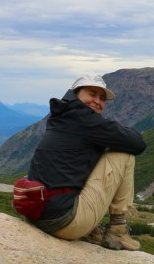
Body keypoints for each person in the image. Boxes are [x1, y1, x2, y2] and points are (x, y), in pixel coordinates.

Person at [25, 74, 146, 250]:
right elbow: (137, 144)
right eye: (92, 94)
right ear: (77, 94)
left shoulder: (61, 116)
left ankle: (93, 230)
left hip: (38, 214)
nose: (97, 101)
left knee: (92, 156)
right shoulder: (86, 120)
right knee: (123, 154)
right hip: (64, 222)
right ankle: (117, 231)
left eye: (102, 98)